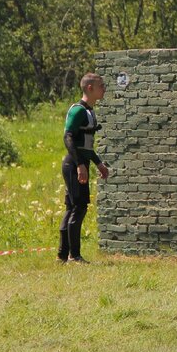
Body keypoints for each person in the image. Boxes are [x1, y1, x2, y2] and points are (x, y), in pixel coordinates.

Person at [59, 73, 110, 263]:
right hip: (73, 164)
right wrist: (80, 165)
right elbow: (68, 137)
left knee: (72, 207)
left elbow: (86, 146)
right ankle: (74, 255)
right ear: (90, 88)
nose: (104, 89)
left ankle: (62, 255)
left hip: (81, 162)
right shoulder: (78, 110)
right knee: (78, 207)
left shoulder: (90, 111)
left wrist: (98, 163)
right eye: (101, 85)